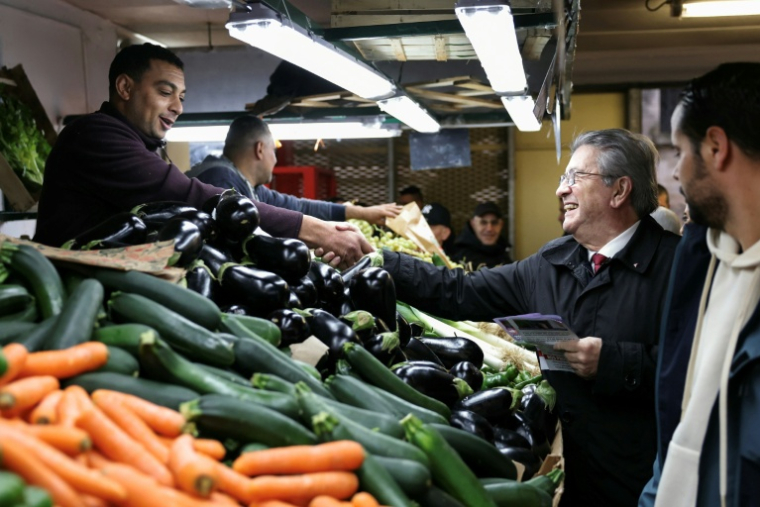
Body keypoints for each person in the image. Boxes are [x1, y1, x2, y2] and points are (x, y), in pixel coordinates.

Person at [379, 129, 680, 507]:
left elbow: (704, 373)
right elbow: (458, 291)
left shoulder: (680, 268)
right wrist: (379, 261)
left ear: (619, 191)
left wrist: (613, 362)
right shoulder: (550, 264)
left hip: (645, 485)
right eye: (561, 179)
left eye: (574, 178)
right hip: (564, 476)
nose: (561, 190)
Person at [33, 43, 371, 269]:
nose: (178, 107)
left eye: (181, 96)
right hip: (70, 290)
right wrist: (312, 230)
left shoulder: (139, 143)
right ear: (125, 88)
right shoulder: (96, 135)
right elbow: (186, 196)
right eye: (166, 92)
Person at [639, 62, 760, 507]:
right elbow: (682, 412)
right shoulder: (704, 263)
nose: (675, 174)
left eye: (678, 151)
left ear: (715, 147)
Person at [186, 115, 401, 226]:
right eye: (274, 150)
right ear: (260, 149)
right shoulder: (220, 181)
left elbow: (297, 207)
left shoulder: (248, 186)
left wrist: (361, 213)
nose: (276, 159)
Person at [449, 201, 512, 268]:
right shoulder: (459, 260)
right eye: (483, 222)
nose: (489, 229)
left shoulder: (505, 258)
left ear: (501, 225)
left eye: (494, 223)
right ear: (473, 224)